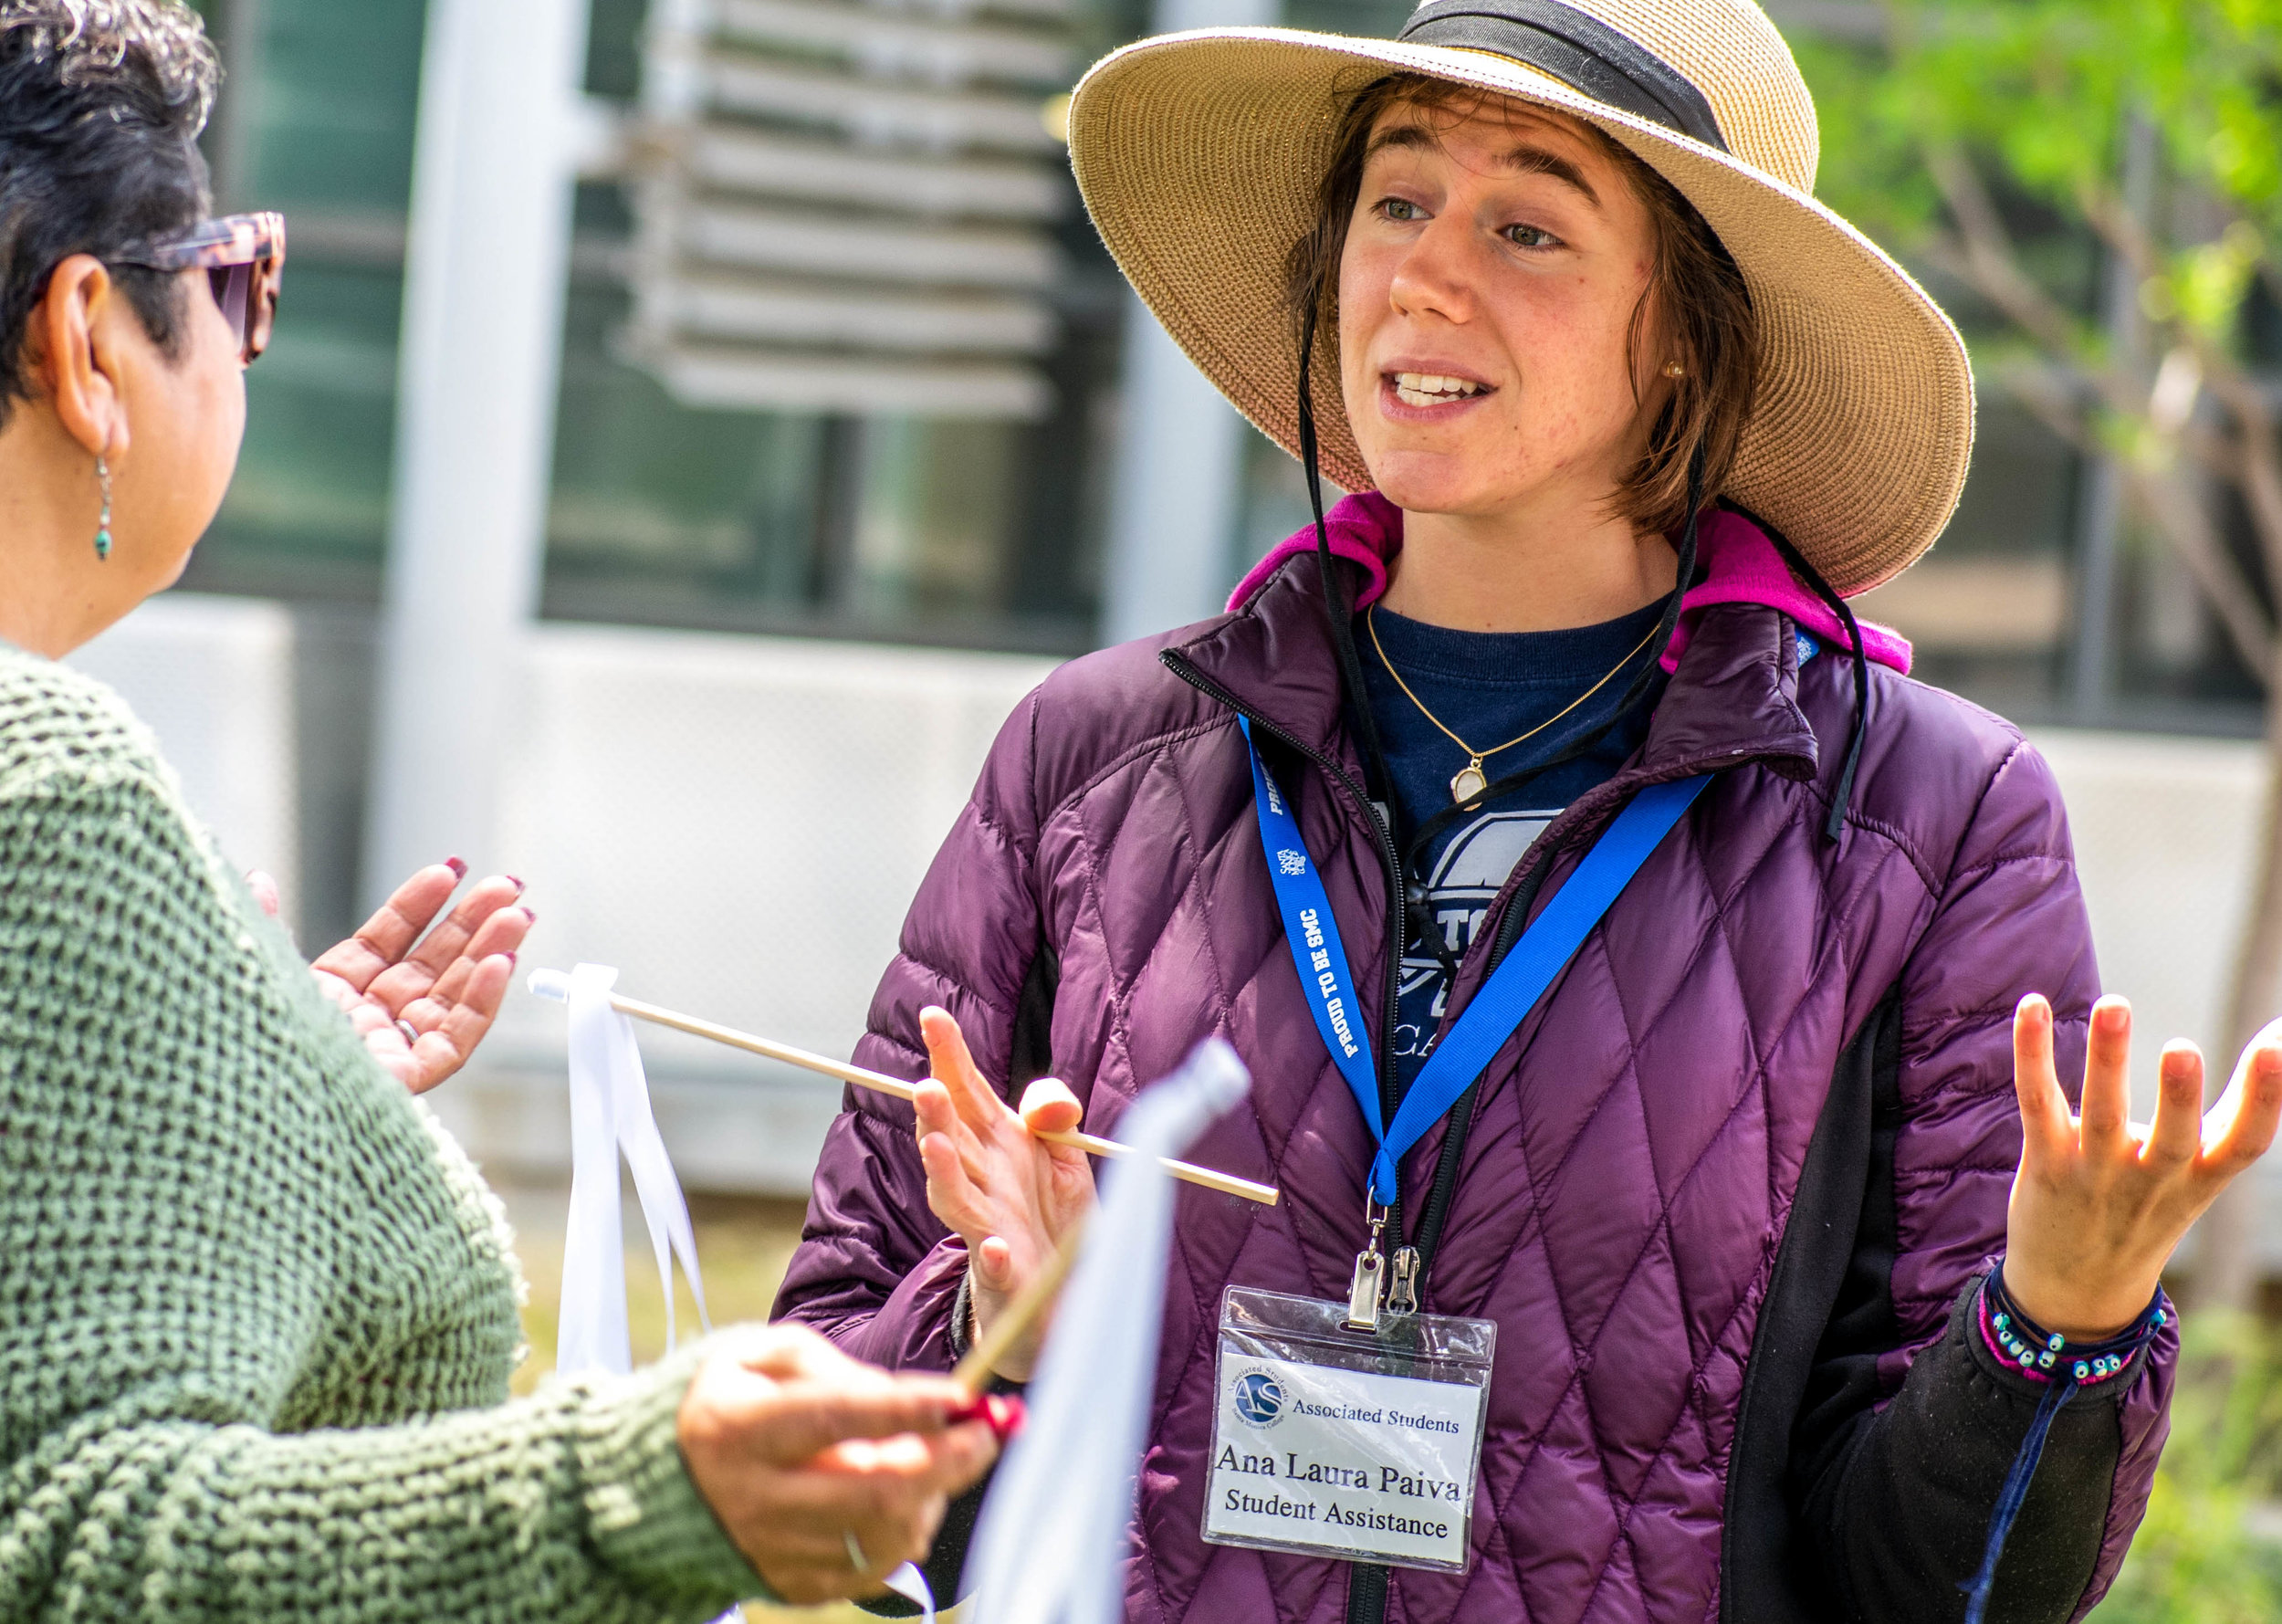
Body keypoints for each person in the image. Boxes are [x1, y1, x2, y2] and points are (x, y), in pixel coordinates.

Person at [777, 1, 2282, 1619]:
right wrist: (1003, 1319)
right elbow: (810, 1438)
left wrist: (2058, 1313)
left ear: (1690, 323)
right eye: (1400, 201)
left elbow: (1942, 1593)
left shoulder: (1922, 822)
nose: (1425, 275)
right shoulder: (1101, 759)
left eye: (1529, 227)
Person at [0, 3, 993, 1616]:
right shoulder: (55, 784)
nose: (252, 336)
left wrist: (262, 1112)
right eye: (237, 279)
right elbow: (72, 1546)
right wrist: (635, 1496)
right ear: (92, 340)